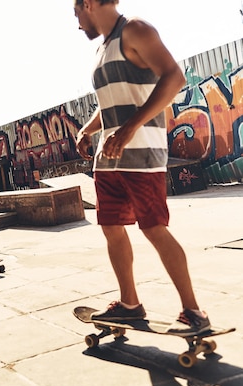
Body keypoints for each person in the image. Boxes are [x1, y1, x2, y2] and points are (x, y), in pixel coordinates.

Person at [73, 0, 210, 335]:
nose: (77, 24)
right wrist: (88, 128)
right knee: (111, 226)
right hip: (109, 159)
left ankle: (194, 312)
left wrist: (130, 127)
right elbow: (113, 100)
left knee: (153, 227)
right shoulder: (103, 49)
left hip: (142, 153)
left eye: (76, 14)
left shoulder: (135, 30)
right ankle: (130, 304)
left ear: (88, 4)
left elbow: (173, 78)